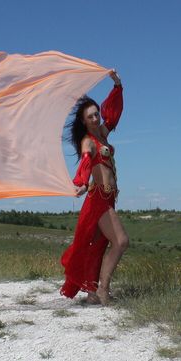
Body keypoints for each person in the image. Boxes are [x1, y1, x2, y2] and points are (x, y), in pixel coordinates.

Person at [60, 69, 128, 305]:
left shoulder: (102, 134)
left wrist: (117, 86)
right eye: (90, 116)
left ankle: (92, 293)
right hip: (98, 198)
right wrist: (79, 182)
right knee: (120, 241)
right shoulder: (88, 141)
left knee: (98, 246)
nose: (96, 118)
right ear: (83, 121)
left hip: (108, 198)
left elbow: (113, 115)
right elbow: (87, 161)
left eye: (96, 114)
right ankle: (103, 290)